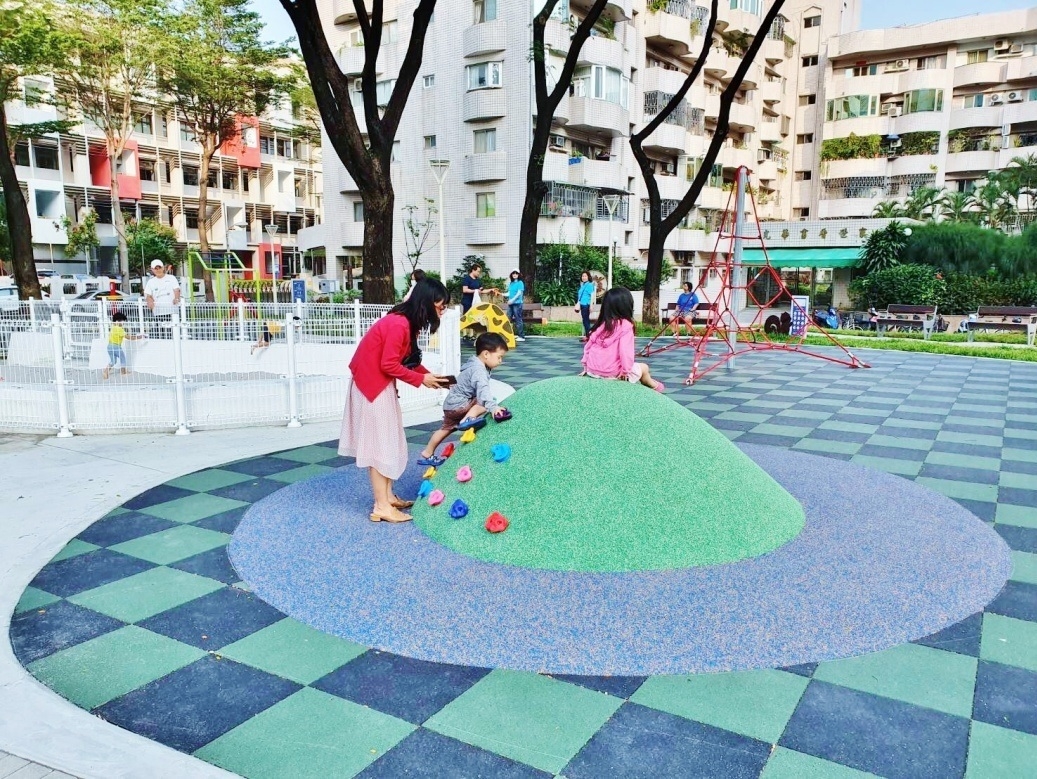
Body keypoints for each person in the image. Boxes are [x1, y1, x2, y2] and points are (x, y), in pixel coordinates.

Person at [339, 277, 451, 523]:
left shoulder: (405, 323)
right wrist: (422, 380)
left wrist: (427, 376)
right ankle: (381, 506)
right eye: (440, 306)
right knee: (381, 445)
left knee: (388, 441)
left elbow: (406, 361)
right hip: (372, 388)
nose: (442, 311)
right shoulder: (399, 324)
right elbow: (388, 364)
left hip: (375, 385)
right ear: (426, 302)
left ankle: (387, 497)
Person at [417, 332, 510, 467]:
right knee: (485, 400)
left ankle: (428, 452)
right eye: (499, 357)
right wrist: (493, 407)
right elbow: (483, 391)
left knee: (446, 428)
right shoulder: (479, 370)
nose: (500, 361)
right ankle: (468, 418)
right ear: (486, 354)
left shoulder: (471, 364)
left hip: (450, 406)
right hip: (460, 405)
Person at [581, 287, 664, 392]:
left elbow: (588, 346)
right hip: (613, 373)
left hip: (592, 371)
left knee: (636, 367)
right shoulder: (625, 325)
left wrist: (585, 366)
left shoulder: (601, 325)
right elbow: (625, 352)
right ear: (627, 306)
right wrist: (625, 371)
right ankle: (654, 386)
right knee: (644, 368)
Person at [144, 259, 181, 338]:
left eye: (159, 267)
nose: (158, 270)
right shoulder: (151, 282)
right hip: (158, 312)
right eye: (155, 268)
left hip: (172, 311)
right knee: (160, 334)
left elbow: (177, 290)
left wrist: (176, 298)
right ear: (152, 270)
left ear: (163, 268)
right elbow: (148, 295)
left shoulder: (171, 278)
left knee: (173, 333)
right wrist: (149, 301)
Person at [102, 312, 142, 380]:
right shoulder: (120, 329)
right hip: (116, 346)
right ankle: (123, 372)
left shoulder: (113, 328)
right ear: (118, 321)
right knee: (123, 358)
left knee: (113, 361)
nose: (123, 323)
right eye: (123, 321)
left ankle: (106, 371)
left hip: (109, 347)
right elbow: (128, 337)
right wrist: (138, 337)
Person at [506, 270, 526, 341]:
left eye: (516, 273)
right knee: (508, 318)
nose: (514, 274)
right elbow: (509, 293)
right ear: (511, 274)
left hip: (517, 304)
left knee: (518, 319)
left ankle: (521, 336)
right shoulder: (511, 283)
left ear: (518, 275)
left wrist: (512, 300)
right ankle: (508, 335)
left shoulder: (520, 283)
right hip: (511, 304)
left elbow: (519, 293)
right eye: (513, 273)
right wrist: (500, 294)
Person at [576, 271, 595, 341]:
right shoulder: (583, 285)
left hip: (586, 305)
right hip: (582, 305)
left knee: (586, 321)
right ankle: (588, 335)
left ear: (588, 277)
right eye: (582, 276)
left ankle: (589, 336)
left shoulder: (589, 285)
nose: (583, 277)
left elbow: (592, 295)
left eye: (585, 276)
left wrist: (591, 305)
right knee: (585, 320)